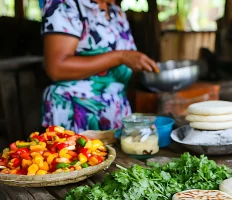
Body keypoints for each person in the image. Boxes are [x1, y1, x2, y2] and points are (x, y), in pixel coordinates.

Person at [41, 0, 158, 132]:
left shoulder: (116, 12)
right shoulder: (65, 5)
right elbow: (56, 68)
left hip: (115, 111)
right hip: (77, 111)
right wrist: (120, 57)